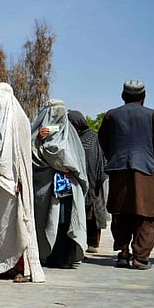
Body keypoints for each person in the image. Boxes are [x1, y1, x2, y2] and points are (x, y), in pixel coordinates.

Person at [98, 80, 154, 270]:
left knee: (121, 212)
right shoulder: (153, 115)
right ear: (143, 96)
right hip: (146, 170)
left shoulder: (111, 115)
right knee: (147, 214)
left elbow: (102, 139)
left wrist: (113, 157)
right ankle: (140, 258)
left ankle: (123, 253)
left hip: (118, 169)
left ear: (123, 96)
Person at [0, 83, 45, 283]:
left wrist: (20, 179)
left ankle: (21, 267)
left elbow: (22, 153)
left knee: (18, 222)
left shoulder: (20, 120)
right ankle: (1, 264)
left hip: (14, 182)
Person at [32, 99, 89, 268]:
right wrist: (40, 141)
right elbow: (32, 155)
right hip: (43, 187)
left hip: (65, 189)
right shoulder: (35, 135)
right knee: (44, 221)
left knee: (63, 221)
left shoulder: (69, 134)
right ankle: (44, 255)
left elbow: (69, 159)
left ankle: (62, 258)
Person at [67, 110, 108, 253]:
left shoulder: (94, 138)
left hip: (93, 181)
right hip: (78, 181)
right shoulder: (72, 138)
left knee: (93, 212)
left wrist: (96, 180)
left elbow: (99, 160)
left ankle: (93, 242)